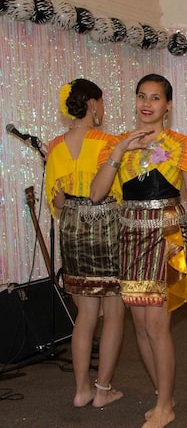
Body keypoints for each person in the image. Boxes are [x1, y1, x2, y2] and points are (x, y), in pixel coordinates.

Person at [90, 73, 187, 428]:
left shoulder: (180, 143)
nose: (147, 104)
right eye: (141, 96)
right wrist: (119, 153)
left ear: (168, 105)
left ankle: (165, 404)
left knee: (157, 325)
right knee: (139, 325)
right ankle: (162, 394)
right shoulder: (116, 143)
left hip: (168, 237)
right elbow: (95, 194)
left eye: (155, 97)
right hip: (131, 234)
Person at [44, 78, 125, 408]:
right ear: (92, 104)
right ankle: (103, 389)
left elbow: (59, 202)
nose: (103, 109)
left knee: (86, 315)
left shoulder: (54, 146)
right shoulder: (109, 142)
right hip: (105, 224)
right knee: (115, 311)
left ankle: (81, 390)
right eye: (102, 103)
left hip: (72, 226)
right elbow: (116, 191)